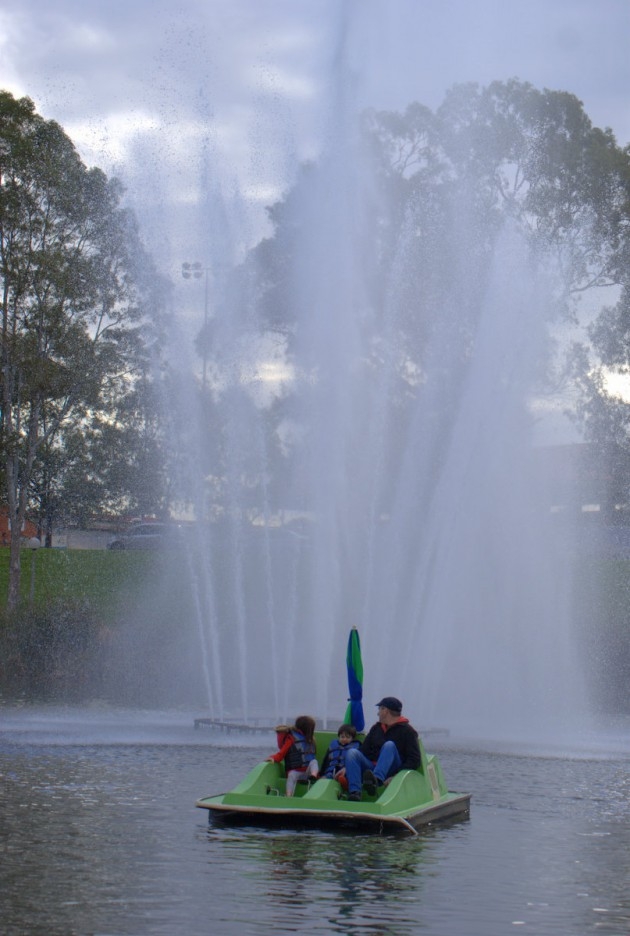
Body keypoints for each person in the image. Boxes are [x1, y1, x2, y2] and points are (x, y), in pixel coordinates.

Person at [339, 697, 421, 801]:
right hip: (371, 768)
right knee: (352, 753)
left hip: (392, 769)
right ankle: (355, 792)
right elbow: (363, 751)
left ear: (385, 710)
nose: (378, 713)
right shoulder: (376, 728)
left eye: (380, 710)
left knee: (389, 745)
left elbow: (414, 760)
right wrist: (348, 767)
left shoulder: (408, 731)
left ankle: (376, 780)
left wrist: (396, 775)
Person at [266, 715, 319, 796]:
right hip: (296, 772)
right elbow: (282, 752)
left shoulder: (310, 739)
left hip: (307, 773)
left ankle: (313, 775)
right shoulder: (291, 738)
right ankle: (288, 795)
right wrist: (274, 758)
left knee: (314, 762)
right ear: (307, 729)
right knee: (291, 775)